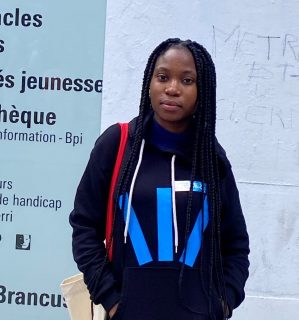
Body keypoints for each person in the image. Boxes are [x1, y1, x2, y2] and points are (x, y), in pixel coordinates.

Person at [69, 38, 249, 320]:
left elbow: (235, 244)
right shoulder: (117, 145)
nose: (172, 89)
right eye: (163, 77)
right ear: (149, 83)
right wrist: (112, 299)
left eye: (187, 80)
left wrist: (223, 303)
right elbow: (84, 227)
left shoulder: (211, 157)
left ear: (202, 90)